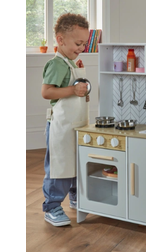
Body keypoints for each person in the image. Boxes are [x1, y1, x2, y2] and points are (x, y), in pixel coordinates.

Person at [41, 13, 90, 226]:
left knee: (75, 162)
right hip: (60, 126)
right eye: (78, 43)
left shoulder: (70, 63)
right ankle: (52, 206)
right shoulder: (56, 64)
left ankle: (75, 196)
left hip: (75, 124)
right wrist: (72, 89)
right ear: (61, 40)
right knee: (59, 166)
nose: (81, 47)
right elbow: (47, 92)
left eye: (84, 44)